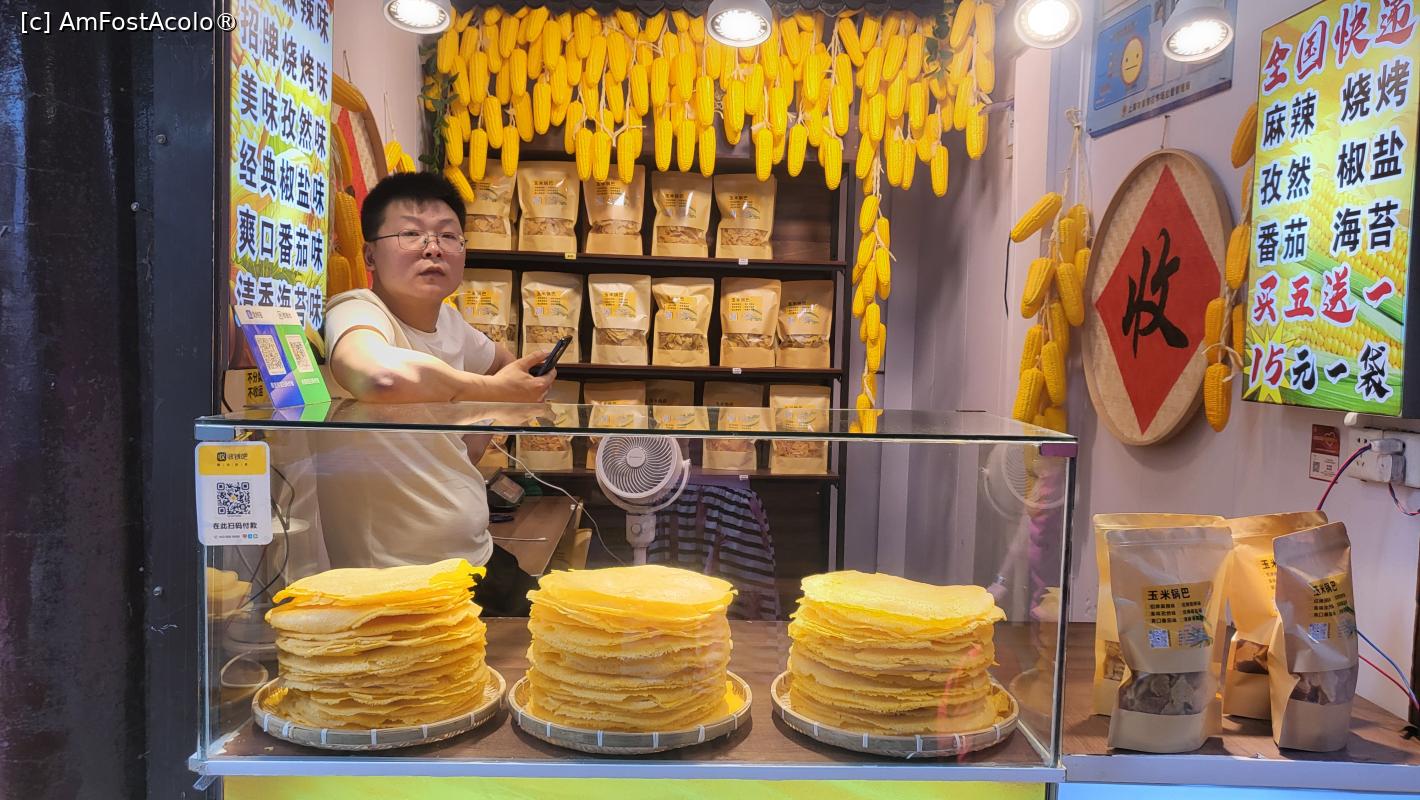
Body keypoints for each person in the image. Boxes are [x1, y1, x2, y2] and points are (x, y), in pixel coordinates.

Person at [315, 172, 554, 615]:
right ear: (370, 254)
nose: (432, 248)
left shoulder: (450, 322)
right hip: (399, 584)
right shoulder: (356, 310)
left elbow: (505, 365)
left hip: (475, 558)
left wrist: (485, 419)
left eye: (448, 236)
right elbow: (377, 376)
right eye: (410, 234)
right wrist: (494, 392)